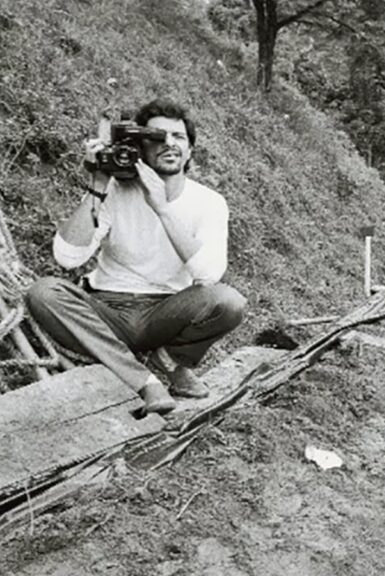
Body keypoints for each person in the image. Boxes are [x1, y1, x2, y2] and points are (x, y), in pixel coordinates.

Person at [26, 98, 247, 415]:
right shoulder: (114, 191)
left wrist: (162, 207)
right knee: (43, 292)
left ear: (190, 151)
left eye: (178, 137)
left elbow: (209, 275)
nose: (168, 144)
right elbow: (67, 258)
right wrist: (96, 186)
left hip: (166, 313)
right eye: (156, 138)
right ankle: (144, 380)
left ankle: (168, 360)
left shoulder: (209, 202)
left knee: (229, 301)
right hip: (107, 308)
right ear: (141, 149)